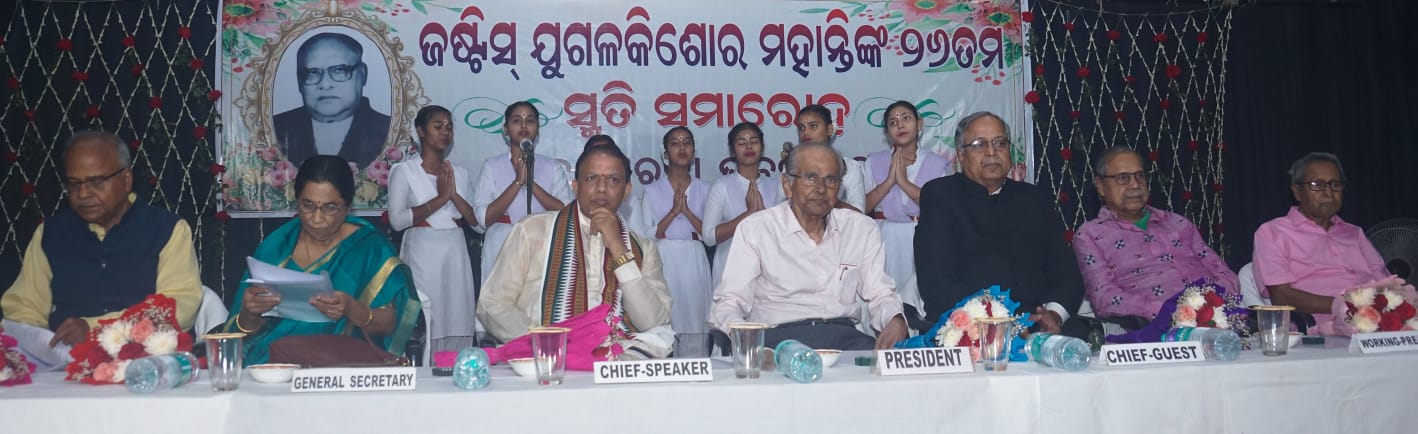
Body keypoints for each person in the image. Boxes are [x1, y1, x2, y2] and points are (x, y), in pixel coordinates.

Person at [2, 131, 201, 345]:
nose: (83, 194)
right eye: (73, 183)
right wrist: (35, 344)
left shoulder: (167, 229)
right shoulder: (51, 233)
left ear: (126, 180)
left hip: (147, 358)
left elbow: (177, 308)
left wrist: (94, 328)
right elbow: (24, 307)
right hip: (65, 360)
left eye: (96, 181)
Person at [477, 145, 674, 359]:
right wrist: (544, 342)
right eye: (592, 179)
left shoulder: (643, 248)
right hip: (546, 362)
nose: (601, 188)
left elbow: (652, 322)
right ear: (575, 186)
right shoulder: (533, 230)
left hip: (617, 364)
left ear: (627, 191)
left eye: (613, 180)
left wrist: (618, 248)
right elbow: (492, 304)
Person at [223, 155, 419, 365]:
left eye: (330, 208)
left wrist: (353, 309)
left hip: (342, 365)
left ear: (348, 206)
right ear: (296, 201)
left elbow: (392, 324)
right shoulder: (278, 246)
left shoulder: (369, 248)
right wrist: (250, 312)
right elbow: (244, 332)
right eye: (307, 206)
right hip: (274, 363)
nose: (317, 219)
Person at [711, 143, 909, 350]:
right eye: (810, 177)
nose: (821, 189)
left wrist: (895, 319)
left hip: (843, 337)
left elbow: (880, 294)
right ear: (787, 185)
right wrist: (743, 339)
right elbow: (730, 301)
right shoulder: (756, 229)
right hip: (777, 340)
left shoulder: (861, 228)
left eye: (830, 179)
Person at [915, 111, 1086, 337]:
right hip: (965, 329)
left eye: (1000, 143)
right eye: (979, 144)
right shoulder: (940, 196)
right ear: (961, 155)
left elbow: (1067, 272)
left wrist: (1054, 314)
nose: (991, 152)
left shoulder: (1034, 199)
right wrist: (996, 322)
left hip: (1035, 329)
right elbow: (936, 281)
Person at [1072, 146, 1238, 322]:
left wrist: (1213, 305)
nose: (1135, 185)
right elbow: (1104, 298)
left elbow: (1225, 274)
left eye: (1140, 176)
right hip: (1157, 327)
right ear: (1100, 186)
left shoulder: (1178, 223)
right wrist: (1171, 311)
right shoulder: (1090, 235)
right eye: (1123, 178)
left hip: (1217, 318)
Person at [1253, 152, 1388, 335]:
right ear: (1297, 191)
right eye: (1317, 185)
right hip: (1319, 331)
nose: (1329, 193)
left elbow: (1386, 283)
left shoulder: (1355, 234)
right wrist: (1345, 305)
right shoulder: (1273, 232)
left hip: (1376, 327)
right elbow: (1282, 296)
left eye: (1335, 185)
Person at [387, 105, 480, 352]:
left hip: (455, 250)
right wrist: (441, 199)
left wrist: (453, 195)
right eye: (438, 126)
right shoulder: (404, 171)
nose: (445, 132)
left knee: (457, 314)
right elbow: (397, 221)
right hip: (423, 249)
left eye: (449, 127)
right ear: (421, 131)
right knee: (428, 313)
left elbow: (477, 224)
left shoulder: (460, 173)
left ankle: (455, 363)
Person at [862, 101, 950, 319]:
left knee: (918, 300)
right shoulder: (874, 161)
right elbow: (862, 206)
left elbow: (941, 208)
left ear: (919, 124)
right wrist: (889, 181)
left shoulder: (938, 163)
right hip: (883, 238)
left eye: (906, 119)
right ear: (887, 132)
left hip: (923, 237)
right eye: (893, 122)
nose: (900, 125)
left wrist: (902, 181)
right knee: (883, 297)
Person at [472, 101, 574, 286]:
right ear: (505, 129)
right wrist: (518, 182)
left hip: (541, 245)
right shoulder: (491, 166)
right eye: (516, 120)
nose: (524, 125)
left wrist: (531, 183)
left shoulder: (552, 167)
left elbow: (567, 213)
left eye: (530, 121)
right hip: (501, 246)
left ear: (538, 128)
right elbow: (483, 218)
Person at [634, 127, 713, 356]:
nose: (682, 148)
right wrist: (673, 213)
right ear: (665, 153)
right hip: (664, 258)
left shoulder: (706, 189)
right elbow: (646, 235)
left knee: (695, 314)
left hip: (694, 258)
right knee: (669, 314)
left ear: (693, 151)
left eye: (686, 142)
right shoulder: (651, 190)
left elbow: (709, 234)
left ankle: (697, 362)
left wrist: (687, 212)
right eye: (675, 143)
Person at [272, 33, 391, 168]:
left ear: (363, 74)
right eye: (313, 73)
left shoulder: (388, 130)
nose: (325, 84)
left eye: (339, 70)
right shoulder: (275, 129)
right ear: (299, 81)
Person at [702, 122, 783, 289]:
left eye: (754, 141)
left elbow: (783, 233)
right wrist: (748, 214)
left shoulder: (776, 186)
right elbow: (709, 237)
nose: (749, 146)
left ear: (762, 147)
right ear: (732, 150)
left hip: (768, 272)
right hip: (731, 272)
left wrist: (763, 216)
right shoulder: (722, 186)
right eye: (741, 142)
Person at [795, 104, 866, 212]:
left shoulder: (851, 168)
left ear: (829, 129)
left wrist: (829, 199)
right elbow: (780, 211)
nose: (805, 132)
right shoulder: (792, 167)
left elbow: (859, 214)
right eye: (801, 128)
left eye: (813, 126)